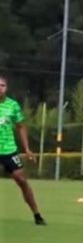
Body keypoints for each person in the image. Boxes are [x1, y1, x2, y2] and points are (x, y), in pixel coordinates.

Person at [0, 76, 45, 225]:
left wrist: (26, 149)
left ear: (6, 88)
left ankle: (37, 214)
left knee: (21, 180)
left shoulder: (13, 105)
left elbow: (21, 126)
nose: (0, 88)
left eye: (2, 85)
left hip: (9, 150)